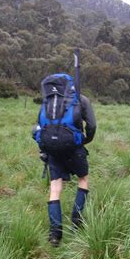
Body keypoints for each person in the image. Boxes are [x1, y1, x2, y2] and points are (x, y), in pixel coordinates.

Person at [34, 74, 96, 247]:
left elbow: (39, 125)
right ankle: (76, 222)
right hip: (74, 149)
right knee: (83, 179)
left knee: (55, 188)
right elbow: (92, 126)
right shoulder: (80, 99)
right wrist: (84, 141)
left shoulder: (47, 102)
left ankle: (55, 234)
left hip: (52, 150)